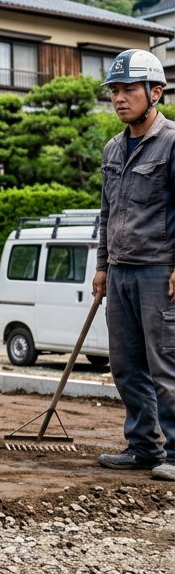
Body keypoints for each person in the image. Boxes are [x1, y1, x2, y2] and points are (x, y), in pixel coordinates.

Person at [92, 48, 175, 482]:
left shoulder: (173, 142)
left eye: (128, 89)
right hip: (121, 271)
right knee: (125, 364)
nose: (119, 98)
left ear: (155, 92)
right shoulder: (112, 148)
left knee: (167, 364)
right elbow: (106, 213)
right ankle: (144, 446)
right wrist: (103, 265)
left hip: (160, 270)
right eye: (114, 91)